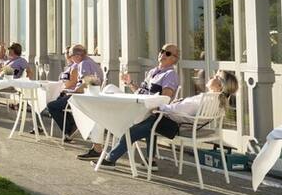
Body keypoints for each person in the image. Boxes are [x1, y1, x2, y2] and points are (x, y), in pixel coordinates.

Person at [99, 71, 238, 170]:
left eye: (216, 76)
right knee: (148, 126)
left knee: (133, 131)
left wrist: (160, 107)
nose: (212, 76)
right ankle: (149, 161)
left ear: (220, 86)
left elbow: (178, 111)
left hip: (173, 124)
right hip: (178, 124)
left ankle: (110, 159)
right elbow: (182, 111)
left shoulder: (205, 98)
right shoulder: (217, 101)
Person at [77, 43, 180, 161]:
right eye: (162, 51)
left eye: (167, 53)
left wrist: (146, 101)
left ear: (174, 59)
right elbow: (140, 92)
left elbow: (164, 99)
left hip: (148, 111)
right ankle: (98, 146)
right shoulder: (152, 72)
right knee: (107, 93)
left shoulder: (170, 74)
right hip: (138, 105)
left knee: (102, 110)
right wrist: (130, 83)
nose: (163, 54)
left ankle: (100, 150)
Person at [46, 44, 102, 142]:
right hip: (91, 95)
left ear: (77, 55)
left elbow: (86, 83)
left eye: (71, 56)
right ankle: (72, 127)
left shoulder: (83, 64)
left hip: (82, 96)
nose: (71, 59)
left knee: (52, 106)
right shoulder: (92, 62)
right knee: (60, 101)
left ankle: (70, 130)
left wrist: (73, 91)